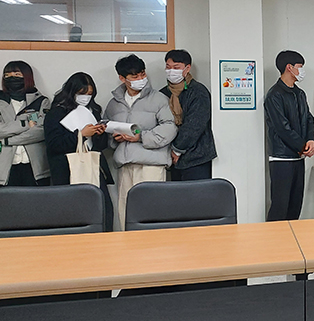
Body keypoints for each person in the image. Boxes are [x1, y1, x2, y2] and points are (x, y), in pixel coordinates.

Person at [105, 54, 177, 230]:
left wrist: (141, 137)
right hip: (126, 164)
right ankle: (127, 245)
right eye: (134, 76)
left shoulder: (159, 99)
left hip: (151, 164)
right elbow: (107, 129)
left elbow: (170, 127)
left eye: (142, 74)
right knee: (125, 211)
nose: (140, 79)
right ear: (122, 78)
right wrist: (115, 138)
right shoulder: (114, 104)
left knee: (152, 211)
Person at [44, 72, 114, 230]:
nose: (86, 98)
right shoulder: (56, 113)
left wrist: (99, 134)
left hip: (93, 167)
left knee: (102, 210)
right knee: (72, 213)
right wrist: (80, 135)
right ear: (72, 91)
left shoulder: (93, 111)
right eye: (82, 93)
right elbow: (54, 145)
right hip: (67, 170)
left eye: (90, 94)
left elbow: (101, 146)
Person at [264, 50, 314, 221]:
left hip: (298, 158)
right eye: (299, 67)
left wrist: (311, 140)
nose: (302, 71)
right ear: (289, 68)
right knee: (280, 207)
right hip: (281, 159)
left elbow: (309, 118)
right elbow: (282, 128)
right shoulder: (274, 95)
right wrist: (302, 146)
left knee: (295, 205)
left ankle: (293, 237)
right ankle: (274, 238)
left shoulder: (299, 93)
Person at [0, 61, 50, 188]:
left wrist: (7, 141)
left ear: (27, 76)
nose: (11, 78)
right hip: (3, 171)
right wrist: (24, 124)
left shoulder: (41, 102)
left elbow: (41, 131)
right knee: (6, 201)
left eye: (17, 74)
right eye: (7, 75)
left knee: (36, 201)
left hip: (36, 169)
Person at [160, 49, 217, 181]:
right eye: (168, 67)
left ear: (187, 68)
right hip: (172, 159)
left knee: (196, 193)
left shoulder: (198, 92)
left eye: (176, 67)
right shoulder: (163, 93)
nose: (171, 71)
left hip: (197, 157)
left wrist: (177, 149)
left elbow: (195, 124)